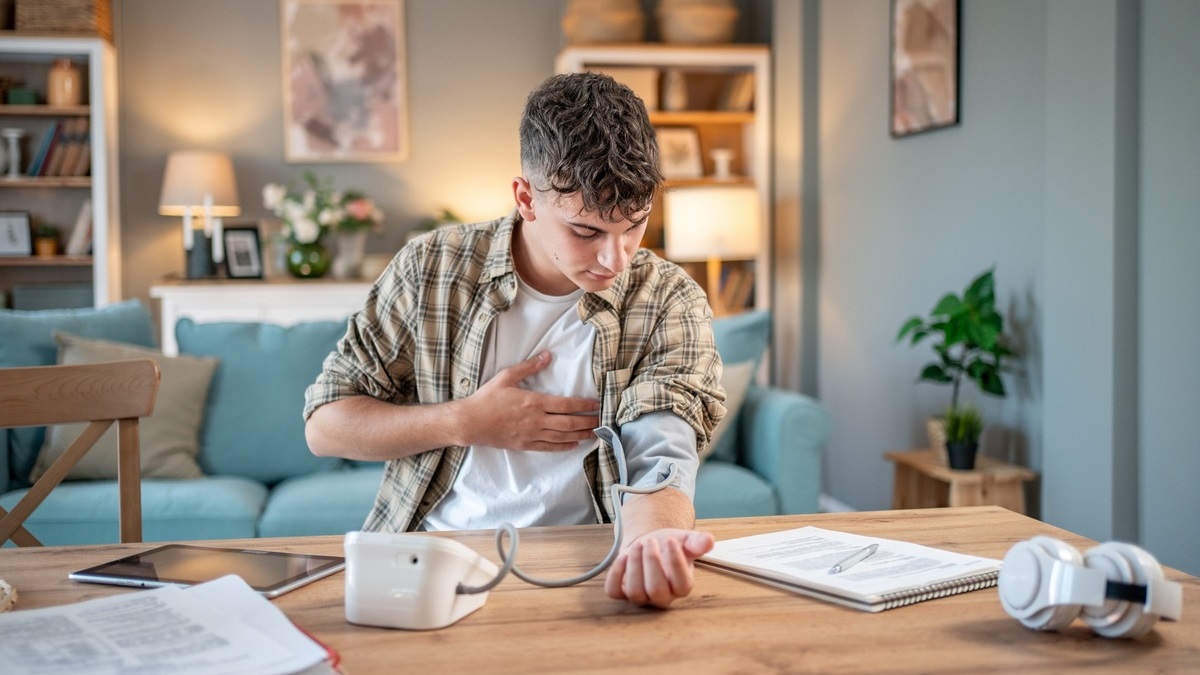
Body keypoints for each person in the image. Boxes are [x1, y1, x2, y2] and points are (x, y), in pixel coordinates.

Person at [304, 72, 725, 609]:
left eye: (635, 226)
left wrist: (652, 542)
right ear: (526, 198)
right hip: (428, 561)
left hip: (585, 566)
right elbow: (325, 427)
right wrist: (466, 421)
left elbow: (662, 443)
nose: (615, 260)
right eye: (587, 231)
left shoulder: (668, 298)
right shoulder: (431, 268)